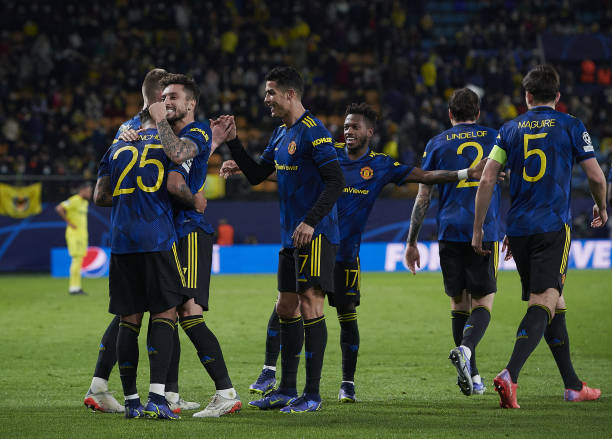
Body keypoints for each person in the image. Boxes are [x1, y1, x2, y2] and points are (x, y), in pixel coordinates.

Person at [223, 102, 487, 403]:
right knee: (287, 304)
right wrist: (245, 170)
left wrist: (465, 172)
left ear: (369, 132)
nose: (348, 131)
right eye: (346, 126)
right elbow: (290, 173)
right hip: (319, 244)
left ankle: (347, 382)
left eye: (354, 127)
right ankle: (271, 371)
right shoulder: (329, 152)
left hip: (346, 253)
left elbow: (425, 176)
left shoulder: (381, 165)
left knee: (346, 317)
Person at [472, 64, 607, 408]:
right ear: (558, 97)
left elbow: (487, 180)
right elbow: (595, 175)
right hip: (551, 227)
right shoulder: (572, 125)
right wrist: (601, 206)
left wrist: (479, 229)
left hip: (517, 230)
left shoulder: (508, 129)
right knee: (544, 301)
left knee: (554, 303)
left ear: (527, 96)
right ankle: (510, 374)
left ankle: (573, 385)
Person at [217, 66, 345, 413]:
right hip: (291, 237)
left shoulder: (314, 132)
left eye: (271, 92)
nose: (266, 99)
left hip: (315, 235)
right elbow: (259, 175)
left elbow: (336, 182)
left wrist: (310, 221)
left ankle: (312, 395)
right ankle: (287, 389)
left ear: (291, 94)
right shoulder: (280, 134)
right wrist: (233, 144)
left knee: (310, 306)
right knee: (286, 307)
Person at [84, 68, 198, 415]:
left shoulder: (121, 137)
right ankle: (160, 398)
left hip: (121, 239)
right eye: (170, 95)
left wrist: (128, 195)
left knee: (127, 317)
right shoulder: (168, 136)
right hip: (156, 234)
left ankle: (129, 399)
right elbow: (179, 162)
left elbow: (101, 196)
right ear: (162, 99)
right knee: (166, 314)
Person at [154, 73, 241, 418]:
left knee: (189, 312)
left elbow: (177, 181)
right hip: (177, 232)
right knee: (172, 312)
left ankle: (226, 392)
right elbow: (194, 160)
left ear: (191, 103)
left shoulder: (194, 132)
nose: (166, 101)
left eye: (173, 96)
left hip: (189, 230)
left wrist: (193, 201)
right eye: (163, 96)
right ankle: (172, 396)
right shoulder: (192, 136)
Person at [405, 88, 501, 397]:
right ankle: (467, 352)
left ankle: (472, 377)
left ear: (450, 114)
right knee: (483, 302)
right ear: (478, 113)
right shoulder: (495, 137)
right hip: (483, 228)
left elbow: (423, 197)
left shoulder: (435, 143)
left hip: (448, 230)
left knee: (459, 303)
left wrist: (412, 241)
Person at [56, 182, 92, 295]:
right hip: (74, 234)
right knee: (76, 259)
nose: (90, 193)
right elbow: (59, 208)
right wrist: (69, 222)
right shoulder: (75, 199)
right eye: (89, 191)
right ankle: (73, 288)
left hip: (82, 234)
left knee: (79, 260)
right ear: (82, 190)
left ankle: (77, 287)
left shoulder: (84, 203)